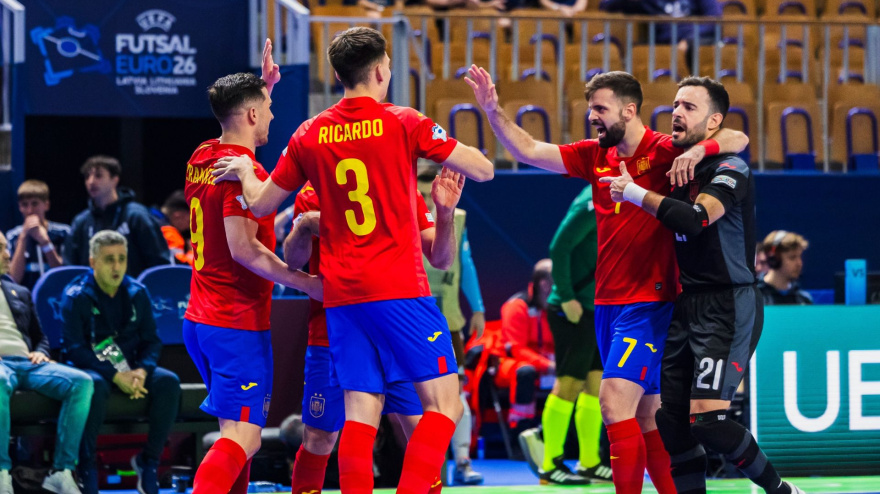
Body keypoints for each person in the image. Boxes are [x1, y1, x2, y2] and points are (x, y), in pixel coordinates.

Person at [212, 26, 494, 494]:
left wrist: (243, 165)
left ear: (338, 75)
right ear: (383, 70)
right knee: (447, 405)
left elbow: (261, 205)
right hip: (399, 288)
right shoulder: (404, 120)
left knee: (361, 414)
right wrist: (483, 115)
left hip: (341, 297)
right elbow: (483, 169)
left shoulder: (308, 132)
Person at [465, 66, 747, 491]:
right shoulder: (594, 155)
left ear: (629, 110)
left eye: (600, 109)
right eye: (590, 109)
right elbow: (528, 149)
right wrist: (492, 110)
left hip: (650, 301)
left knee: (613, 405)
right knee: (647, 415)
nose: (592, 116)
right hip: (607, 304)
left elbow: (737, 139)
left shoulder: (665, 148)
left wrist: (696, 152)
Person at [601, 75, 804, 494]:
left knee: (707, 422)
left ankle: (782, 491)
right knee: (670, 423)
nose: (676, 112)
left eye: (688, 107)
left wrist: (635, 192)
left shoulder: (731, 168)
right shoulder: (673, 162)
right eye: (675, 104)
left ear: (712, 122)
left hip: (728, 304)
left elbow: (698, 218)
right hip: (686, 303)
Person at [183, 44, 324, 494]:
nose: (272, 117)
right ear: (248, 116)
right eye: (266, 109)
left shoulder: (202, 156)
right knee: (242, 439)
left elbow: (236, 114)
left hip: (201, 322)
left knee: (233, 434)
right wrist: (306, 283)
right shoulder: (243, 180)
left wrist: (266, 84)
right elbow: (245, 251)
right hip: (235, 322)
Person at [283, 169, 463, 494]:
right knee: (321, 437)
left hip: (395, 330)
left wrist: (445, 214)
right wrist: (304, 225)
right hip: (335, 332)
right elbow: (293, 260)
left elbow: (442, 258)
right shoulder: (313, 190)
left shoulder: (401, 185)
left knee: (419, 429)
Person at [61, 231, 181, 494]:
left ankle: (148, 461)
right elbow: (74, 349)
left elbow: (152, 341)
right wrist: (114, 375)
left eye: (121, 259)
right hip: (91, 369)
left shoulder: (137, 292)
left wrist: (141, 370)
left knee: (169, 383)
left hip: (132, 368)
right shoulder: (76, 295)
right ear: (93, 262)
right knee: (93, 386)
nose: (117, 267)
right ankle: (87, 466)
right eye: (109, 260)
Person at [519, 185, 610, 485]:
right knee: (569, 383)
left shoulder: (620, 197)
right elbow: (559, 247)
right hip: (572, 310)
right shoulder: (593, 199)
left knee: (595, 385)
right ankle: (550, 464)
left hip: (595, 309)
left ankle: (589, 462)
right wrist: (568, 296)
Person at [0, 233, 92, 494]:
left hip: (27, 363)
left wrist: (40, 352)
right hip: (1, 368)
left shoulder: (19, 291)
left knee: (81, 382)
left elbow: (41, 338)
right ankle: (1, 472)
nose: (7, 255)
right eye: (1, 249)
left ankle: (62, 471)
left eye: (7, 248)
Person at [416, 166, 485, 485]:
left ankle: (462, 461)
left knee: (456, 395)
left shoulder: (457, 217)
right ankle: (427, 468)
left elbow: (466, 262)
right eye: (423, 189)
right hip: (410, 319)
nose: (431, 197)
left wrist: (479, 307)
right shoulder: (404, 212)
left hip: (448, 322)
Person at [64, 156, 171, 278]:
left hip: (134, 295)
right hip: (92, 295)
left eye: (98, 176)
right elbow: (71, 267)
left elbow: (159, 264)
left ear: (115, 180)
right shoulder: (81, 221)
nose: (91, 181)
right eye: (87, 176)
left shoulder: (137, 216)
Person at [496, 259, 556, 433]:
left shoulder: (558, 308)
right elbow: (516, 349)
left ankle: (571, 443)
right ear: (545, 284)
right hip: (508, 363)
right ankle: (520, 434)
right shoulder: (516, 307)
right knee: (525, 371)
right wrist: (549, 366)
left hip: (547, 364)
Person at [6, 180, 69, 289]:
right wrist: (23, 237)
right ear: (19, 207)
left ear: (46, 205)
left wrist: (45, 242)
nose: (30, 210)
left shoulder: (63, 232)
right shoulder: (13, 236)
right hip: (24, 301)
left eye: (35, 204)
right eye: (25, 205)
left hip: (55, 299)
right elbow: (13, 279)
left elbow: (63, 276)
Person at [757, 231, 812, 305]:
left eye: (800, 257)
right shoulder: (756, 297)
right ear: (774, 259)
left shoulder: (804, 300)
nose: (799, 263)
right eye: (792, 257)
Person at [153, 190, 192, 266]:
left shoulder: (150, 216)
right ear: (178, 216)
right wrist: (192, 252)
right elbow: (181, 268)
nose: (189, 227)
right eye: (189, 222)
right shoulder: (169, 232)